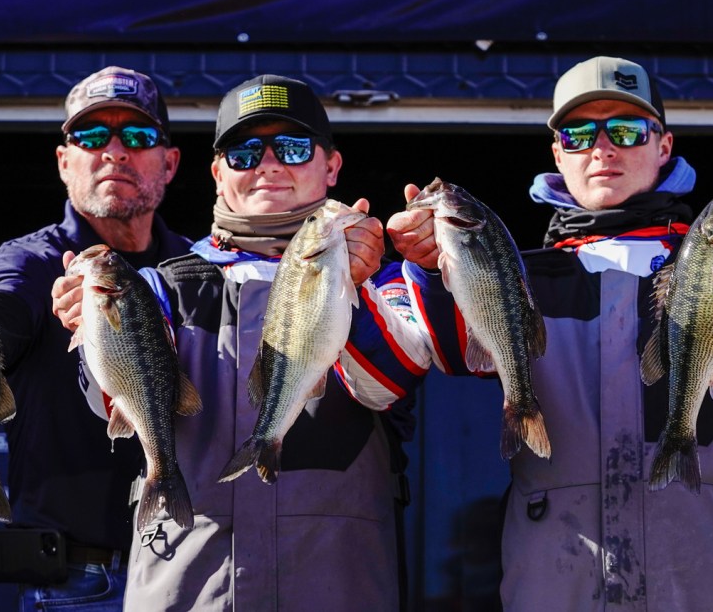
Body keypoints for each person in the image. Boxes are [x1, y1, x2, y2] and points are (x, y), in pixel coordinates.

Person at [386, 56, 713, 611]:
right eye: (578, 134)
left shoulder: (708, 261)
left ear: (663, 145)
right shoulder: (516, 272)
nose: (602, 149)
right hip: (555, 578)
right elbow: (455, 355)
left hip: (703, 576)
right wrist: (431, 267)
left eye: (625, 130)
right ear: (557, 153)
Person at [51, 74, 432, 611]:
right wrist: (90, 322)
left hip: (340, 588)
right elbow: (109, 403)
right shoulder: (160, 285)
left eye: (292, 148)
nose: (268, 165)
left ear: (331, 166)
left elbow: (386, 387)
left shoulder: (387, 277)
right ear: (216, 173)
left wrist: (356, 286)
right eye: (244, 152)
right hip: (188, 589)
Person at [0, 66, 193, 610]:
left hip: (195, 573)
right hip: (78, 585)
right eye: (92, 136)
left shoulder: (194, 266)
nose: (114, 151)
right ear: (64, 161)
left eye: (137, 135)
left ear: (169, 163)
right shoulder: (28, 260)